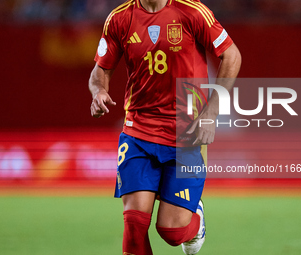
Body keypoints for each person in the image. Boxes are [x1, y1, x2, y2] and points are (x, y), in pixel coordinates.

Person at [89, 0, 241, 254]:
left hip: (185, 134)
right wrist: (98, 91)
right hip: (137, 131)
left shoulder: (192, 11)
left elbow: (232, 55)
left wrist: (210, 112)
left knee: (172, 232)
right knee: (135, 222)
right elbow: (100, 70)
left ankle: (196, 218)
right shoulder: (119, 19)